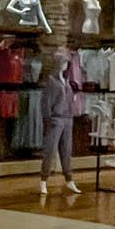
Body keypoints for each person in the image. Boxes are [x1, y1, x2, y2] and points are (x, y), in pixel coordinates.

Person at [39, 49, 80, 198]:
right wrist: (48, 119)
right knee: (50, 151)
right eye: (63, 62)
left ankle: (69, 179)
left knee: (66, 151)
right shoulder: (51, 81)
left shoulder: (67, 81)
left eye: (66, 63)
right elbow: (45, 103)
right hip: (56, 120)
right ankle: (44, 180)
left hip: (68, 119)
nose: (65, 65)